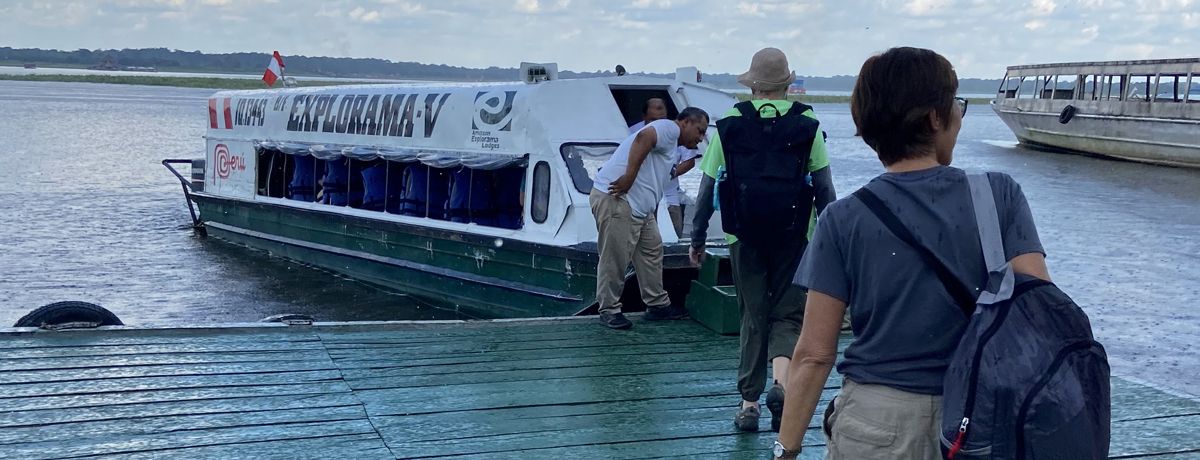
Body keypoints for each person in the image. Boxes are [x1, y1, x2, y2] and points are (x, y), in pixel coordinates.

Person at [772, 47, 1049, 459]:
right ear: (936, 118)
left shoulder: (842, 218)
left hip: (877, 420)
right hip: (984, 416)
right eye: (956, 104)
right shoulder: (998, 194)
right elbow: (1039, 309)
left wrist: (786, 449)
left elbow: (814, 355)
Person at [688, 47, 836, 432]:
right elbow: (824, 190)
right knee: (787, 313)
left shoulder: (731, 123)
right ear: (787, 84)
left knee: (752, 314)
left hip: (743, 234)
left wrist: (698, 237)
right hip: (794, 235)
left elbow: (706, 191)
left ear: (752, 85)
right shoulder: (808, 125)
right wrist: (830, 243)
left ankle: (748, 404)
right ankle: (781, 384)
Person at [591, 107, 709, 330]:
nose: (701, 137)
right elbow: (644, 138)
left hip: (640, 209)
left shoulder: (672, 144)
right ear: (684, 122)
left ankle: (657, 305)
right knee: (614, 257)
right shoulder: (668, 128)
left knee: (652, 252)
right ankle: (609, 310)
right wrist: (628, 177)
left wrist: (676, 169)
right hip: (618, 199)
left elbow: (660, 169)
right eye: (699, 130)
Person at [629, 98, 700, 238]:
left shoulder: (676, 132)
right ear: (644, 117)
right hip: (642, 199)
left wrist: (668, 174)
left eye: (662, 119)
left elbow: (689, 161)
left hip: (670, 197)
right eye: (653, 120)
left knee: (674, 235)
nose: (658, 124)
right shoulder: (633, 132)